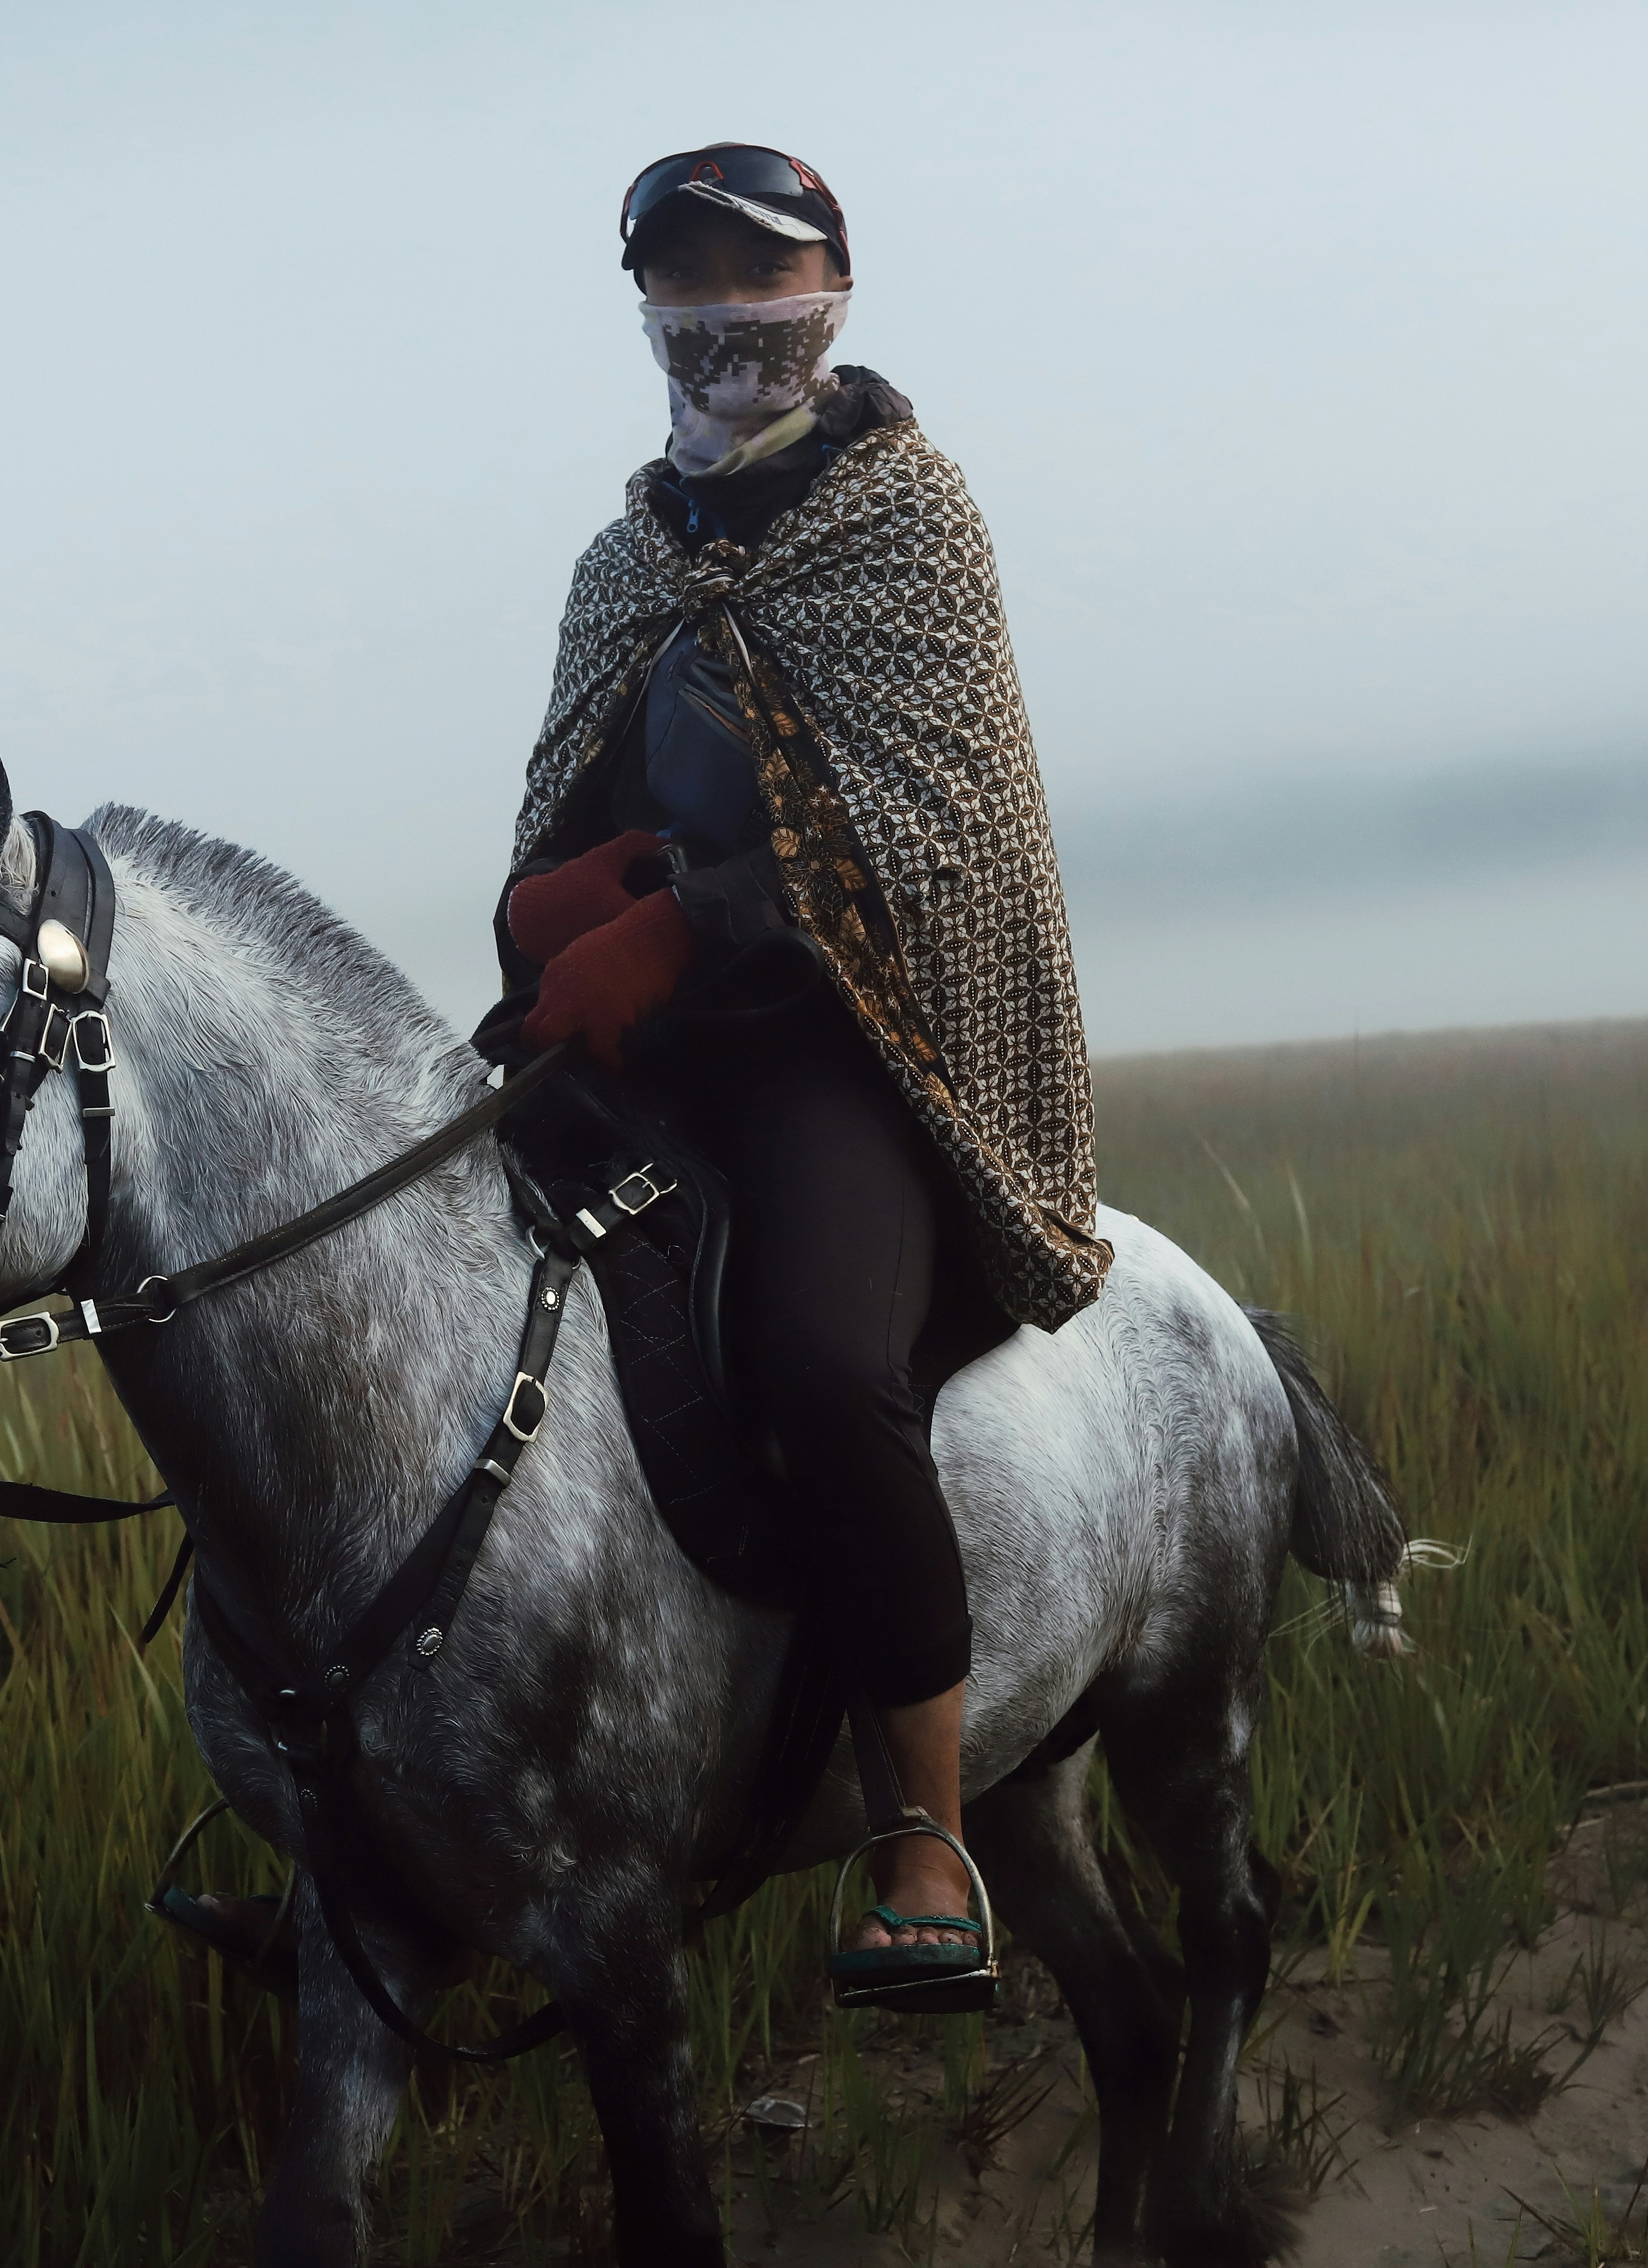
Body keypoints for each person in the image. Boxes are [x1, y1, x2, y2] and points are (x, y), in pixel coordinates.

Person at [495, 144, 1110, 1996]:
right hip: (641, 1047)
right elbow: (575, 797)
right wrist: (561, 896)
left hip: (847, 1048)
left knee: (832, 1376)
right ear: (643, 306)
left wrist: (689, 925)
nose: (723, 312)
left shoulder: (908, 518)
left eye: (759, 273)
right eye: (683, 278)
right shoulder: (622, 562)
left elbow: (940, 828)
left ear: (832, 286)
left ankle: (926, 1833)